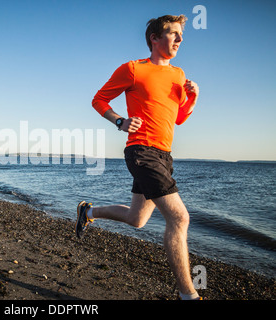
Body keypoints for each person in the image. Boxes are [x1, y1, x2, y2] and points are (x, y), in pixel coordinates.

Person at [75, 15, 201, 300]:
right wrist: (119, 121)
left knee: (137, 219)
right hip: (141, 151)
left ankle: (88, 212)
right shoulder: (133, 69)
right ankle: (189, 295)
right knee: (180, 218)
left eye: (182, 34)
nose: (180, 39)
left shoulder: (179, 75)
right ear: (155, 39)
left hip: (164, 154)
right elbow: (98, 99)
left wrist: (193, 98)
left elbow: (179, 119)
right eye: (173, 34)